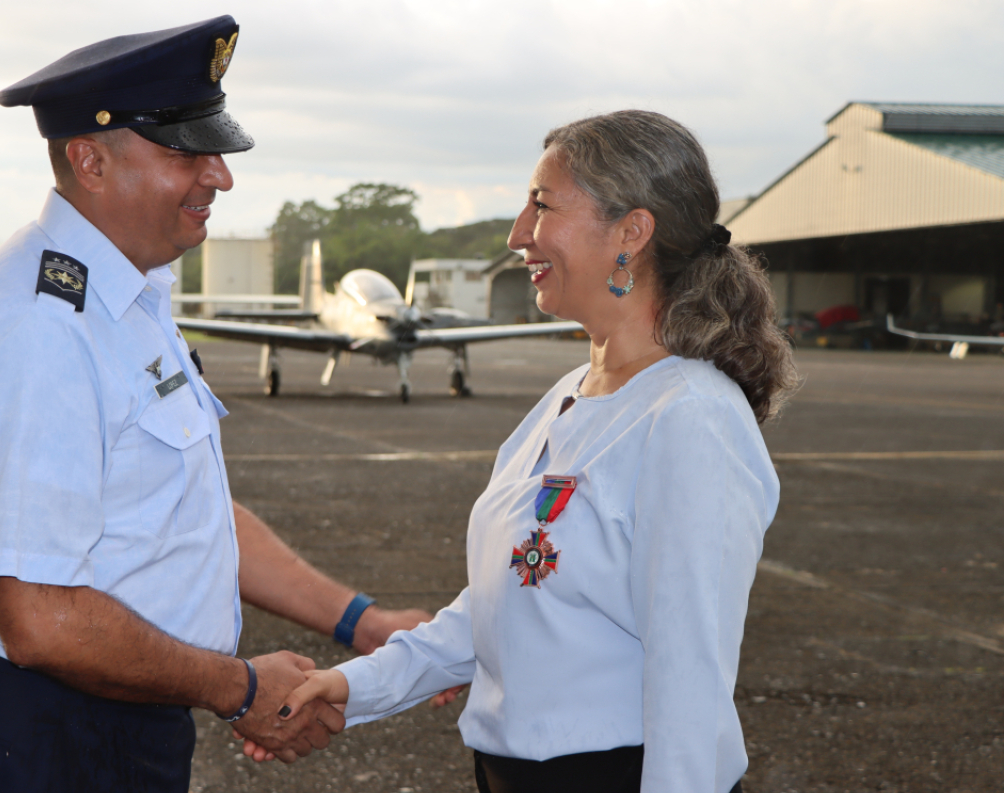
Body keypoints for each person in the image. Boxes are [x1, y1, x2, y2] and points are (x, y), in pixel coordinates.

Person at [0, 16, 429, 792]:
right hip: (49, 746)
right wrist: (241, 689)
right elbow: (43, 617)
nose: (219, 176)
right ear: (89, 159)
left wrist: (360, 620)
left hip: (118, 729)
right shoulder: (38, 327)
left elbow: (184, 516)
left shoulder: (128, 299)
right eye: (187, 152)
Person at [270, 111, 800, 793]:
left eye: (542, 206)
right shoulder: (566, 398)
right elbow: (502, 606)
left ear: (632, 234)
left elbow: (690, 684)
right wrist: (349, 685)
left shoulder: (689, 417)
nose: (519, 235)